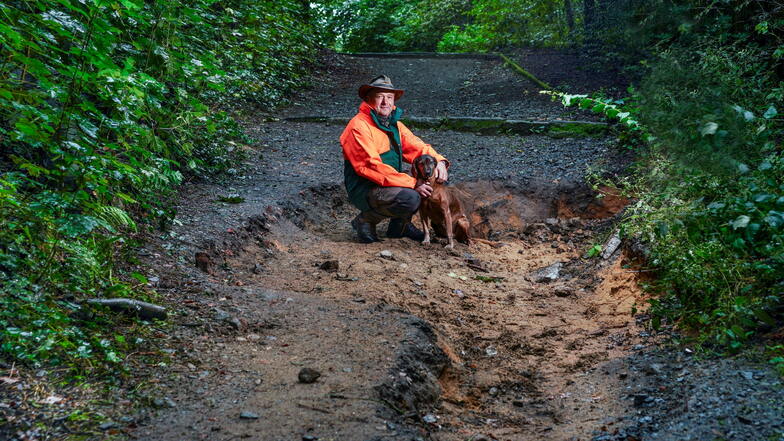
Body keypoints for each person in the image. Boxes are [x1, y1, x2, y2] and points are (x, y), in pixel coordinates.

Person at [340, 75, 450, 243]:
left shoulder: (392, 124)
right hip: (365, 188)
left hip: (388, 182)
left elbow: (416, 146)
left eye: (389, 97)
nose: (385, 102)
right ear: (369, 99)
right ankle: (365, 220)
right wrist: (413, 183)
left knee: (427, 181)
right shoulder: (358, 126)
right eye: (380, 96)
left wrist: (439, 161)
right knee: (411, 197)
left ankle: (400, 227)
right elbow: (371, 167)